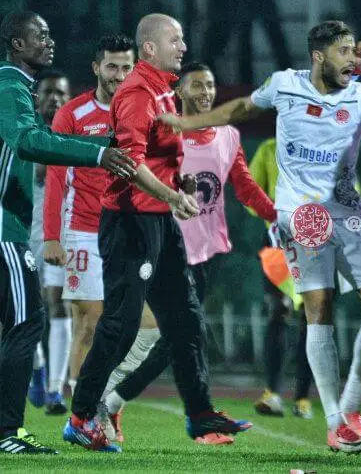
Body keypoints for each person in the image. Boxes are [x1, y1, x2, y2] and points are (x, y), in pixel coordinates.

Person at [158, 20, 361, 453]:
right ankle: (335, 422)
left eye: (353, 52)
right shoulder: (285, 84)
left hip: (348, 214)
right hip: (300, 216)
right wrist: (186, 123)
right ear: (319, 56)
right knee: (318, 309)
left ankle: (349, 408)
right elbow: (239, 109)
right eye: (343, 52)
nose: (352, 59)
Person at [64, 14, 252, 453]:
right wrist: (171, 194)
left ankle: (200, 413)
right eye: (175, 40)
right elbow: (129, 163)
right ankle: (80, 416)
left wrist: (177, 182)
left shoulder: (163, 90)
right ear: (150, 48)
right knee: (121, 325)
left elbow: (158, 154)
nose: (183, 47)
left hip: (160, 221)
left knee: (186, 317)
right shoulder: (136, 93)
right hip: (130, 222)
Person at [98, 61, 278, 444]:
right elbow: (137, 173)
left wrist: (279, 217)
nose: (205, 92)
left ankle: (122, 402)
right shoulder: (166, 133)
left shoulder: (228, 135)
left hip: (207, 250)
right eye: (197, 85)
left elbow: (245, 188)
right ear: (179, 92)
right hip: (169, 249)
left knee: (179, 337)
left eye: (210, 85)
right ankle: (131, 403)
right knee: (182, 333)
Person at [0, 10, 136, 455]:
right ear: (17, 44)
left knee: (22, 323)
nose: (50, 41)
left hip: (11, 227)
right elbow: (29, 142)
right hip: (5, 231)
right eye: (40, 35)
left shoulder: (17, 87)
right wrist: (99, 151)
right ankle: (8, 431)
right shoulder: (8, 85)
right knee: (28, 322)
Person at [42, 34, 163, 443]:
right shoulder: (73, 114)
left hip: (131, 230)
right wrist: (52, 237)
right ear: (96, 68)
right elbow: (56, 177)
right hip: (83, 232)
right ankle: (84, 420)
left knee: (147, 326)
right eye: (112, 66)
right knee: (89, 323)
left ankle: (106, 404)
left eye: (127, 67)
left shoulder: (147, 109)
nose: (119, 75)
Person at [248, 137, 315, 420]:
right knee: (279, 309)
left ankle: (303, 397)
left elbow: (350, 192)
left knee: (312, 318)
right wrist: (274, 212)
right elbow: (250, 192)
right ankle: (273, 392)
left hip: (316, 241)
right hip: (277, 239)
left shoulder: (329, 143)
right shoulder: (268, 148)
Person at [26, 69, 71, 414]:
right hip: (24, 234)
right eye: (48, 92)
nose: (54, 99)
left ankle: (56, 389)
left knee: (58, 304)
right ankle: (38, 368)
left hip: (63, 235)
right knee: (23, 310)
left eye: (61, 93)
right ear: (36, 98)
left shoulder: (76, 137)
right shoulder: (21, 133)